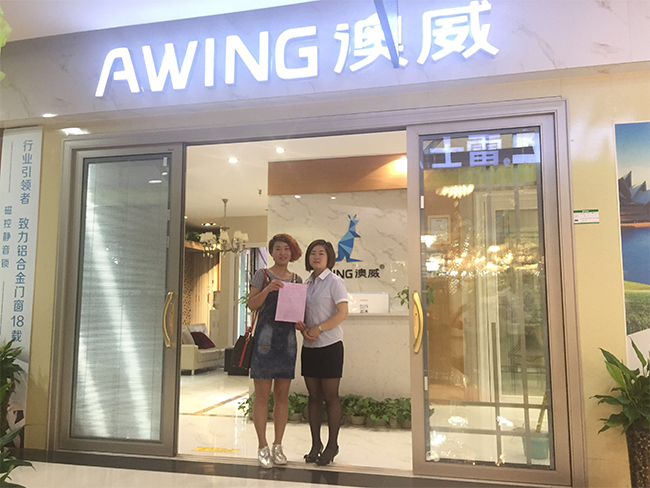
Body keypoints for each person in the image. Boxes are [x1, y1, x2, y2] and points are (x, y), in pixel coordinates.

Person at [247, 233, 303, 468]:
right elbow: (251, 304)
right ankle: (262, 446)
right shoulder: (261, 275)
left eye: (286, 249)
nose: (283, 253)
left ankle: (278, 445)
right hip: (264, 340)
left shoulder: (297, 279)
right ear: (271, 252)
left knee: (282, 396)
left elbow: (299, 310)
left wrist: (301, 322)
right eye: (278, 249)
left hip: (287, 341)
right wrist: (268, 289)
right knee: (262, 396)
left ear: (292, 253)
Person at [295, 239, 349, 466]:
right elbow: (301, 313)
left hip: (330, 346)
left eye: (321, 253)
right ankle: (315, 444)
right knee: (314, 397)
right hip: (309, 347)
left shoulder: (335, 282)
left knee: (330, 396)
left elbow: (342, 312)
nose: (316, 257)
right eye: (313, 253)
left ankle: (332, 445)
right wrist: (302, 327)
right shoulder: (305, 284)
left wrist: (319, 328)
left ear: (329, 258)